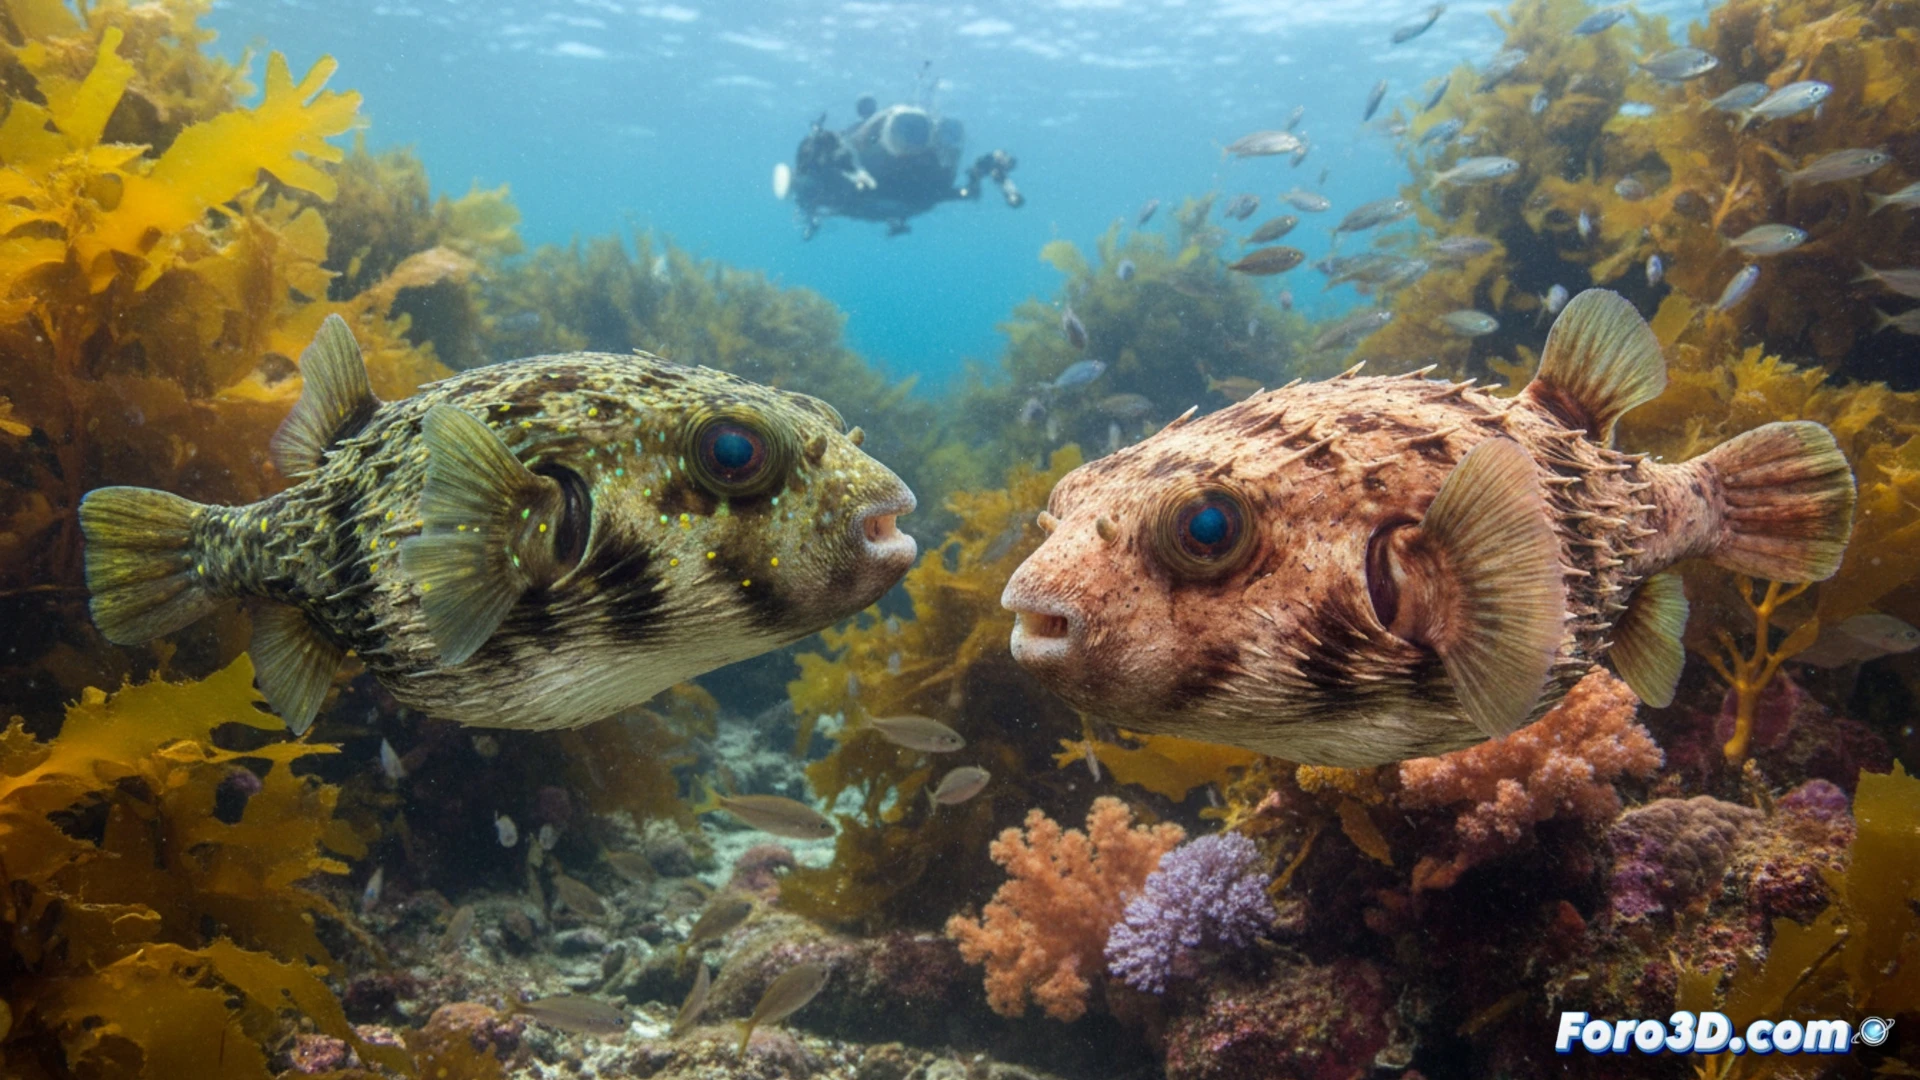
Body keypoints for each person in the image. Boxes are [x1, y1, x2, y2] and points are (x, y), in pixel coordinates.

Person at [778, 95, 1022, 238]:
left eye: (950, 135)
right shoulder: (850, 161)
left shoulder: (934, 179)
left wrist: (983, 173)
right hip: (884, 200)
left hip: (894, 202)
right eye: (911, 132)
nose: (929, 147)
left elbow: (967, 190)